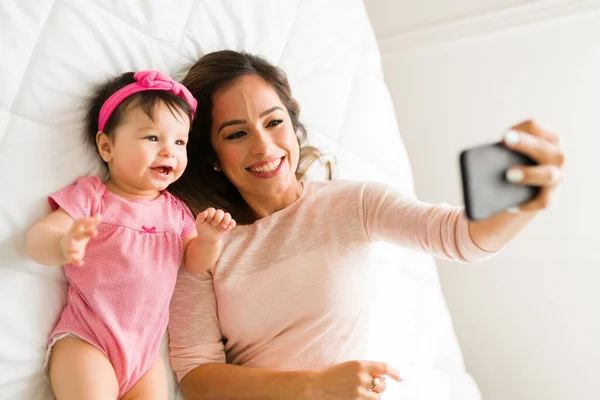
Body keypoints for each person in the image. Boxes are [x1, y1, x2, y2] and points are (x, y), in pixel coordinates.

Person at [167, 50, 565, 399]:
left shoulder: (352, 203)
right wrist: (315, 387)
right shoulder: (204, 241)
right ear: (213, 156)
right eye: (236, 134)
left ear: (293, 126)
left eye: (274, 123)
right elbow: (197, 376)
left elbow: (461, 238)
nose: (264, 147)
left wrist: (523, 205)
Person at [25, 70, 236, 400]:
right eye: (152, 138)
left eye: (179, 142)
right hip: (88, 340)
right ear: (106, 146)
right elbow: (38, 239)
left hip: (145, 355)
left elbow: (194, 263)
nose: (169, 150)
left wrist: (209, 240)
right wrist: (62, 243)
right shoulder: (94, 196)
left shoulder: (176, 211)